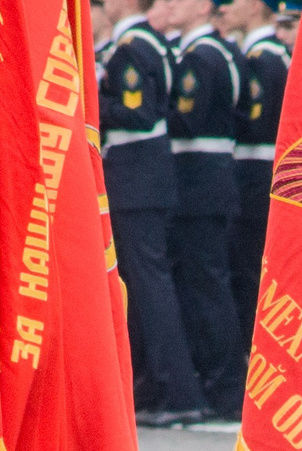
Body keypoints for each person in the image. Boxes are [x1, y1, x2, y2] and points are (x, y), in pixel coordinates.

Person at [101, 0, 209, 424]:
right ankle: (156, 385)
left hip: (136, 176)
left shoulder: (132, 47)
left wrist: (91, 99)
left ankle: (177, 392)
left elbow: (139, 113)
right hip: (144, 176)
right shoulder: (148, 43)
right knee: (146, 284)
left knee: (149, 286)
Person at [166, 0, 248, 417]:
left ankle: (225, 386)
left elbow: (186, 120)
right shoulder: (215, 51)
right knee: (207, 285)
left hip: (200, 183)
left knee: (208, 287)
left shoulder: (202, 56)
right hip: (208, 182)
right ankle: (221, 381)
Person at [228, 0, 291, 329]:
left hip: (256, 170)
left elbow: (253, 122)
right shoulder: (270, 53)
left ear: (254, 6)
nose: (226, 9)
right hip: (262, 170)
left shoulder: (262, 58)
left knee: (250, 267)